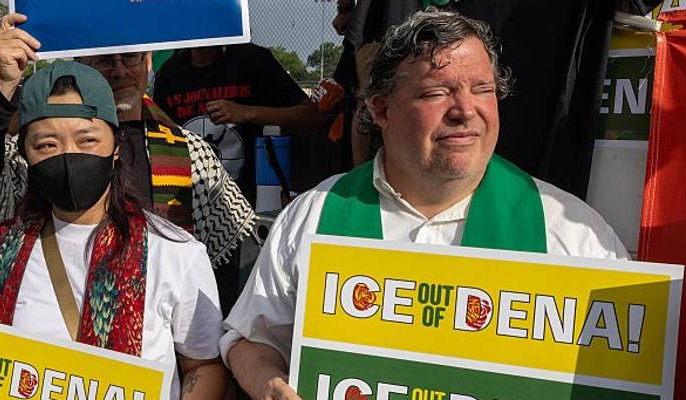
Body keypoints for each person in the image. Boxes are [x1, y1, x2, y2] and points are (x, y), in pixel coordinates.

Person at [220, 10, 629, 400]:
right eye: (437, 92)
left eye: (483, 89)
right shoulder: (315, 215)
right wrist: (269, 384)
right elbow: (251, 339)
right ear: (380, 109)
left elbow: (623, 373)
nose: (465, 111)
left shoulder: (572, 233)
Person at [0, 62, 228, 400]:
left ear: (115, 147)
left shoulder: (173, 251)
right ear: (26, 155)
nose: (68, 155)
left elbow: (203, 366)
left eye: (87, 140)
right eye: (47, 144)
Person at [0, 14, 257, 314]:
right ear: (82, 65)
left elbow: (228, 257)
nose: (120, 71)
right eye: (105, 60)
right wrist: (3, 86)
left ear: (148, 61)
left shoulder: (189, 151)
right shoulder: (44, 149)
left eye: (130, 58)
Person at [152, 43, 324, 206]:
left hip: (249, 203)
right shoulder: (169, 73)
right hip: (191, 202)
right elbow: (159, 143)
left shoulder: (252, 60)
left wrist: (249, 113)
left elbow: (311, 117)